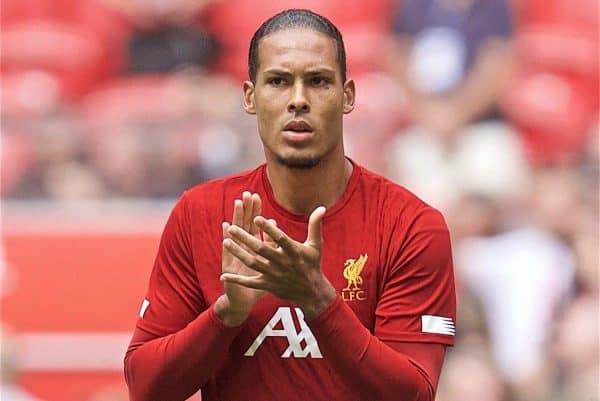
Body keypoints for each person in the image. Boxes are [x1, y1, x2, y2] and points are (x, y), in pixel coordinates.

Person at [124, 9, 456, 401]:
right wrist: (226, 313)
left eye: (317, 82)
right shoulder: (201, 213)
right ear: (251, 97)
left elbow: (414, 395)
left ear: (347, 96)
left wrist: (317, 299)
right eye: (279, 82)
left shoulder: (411, 226)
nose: (298, 100)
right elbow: (146, 388)